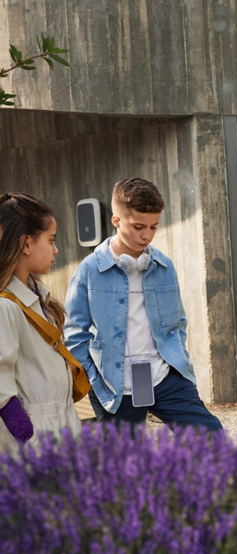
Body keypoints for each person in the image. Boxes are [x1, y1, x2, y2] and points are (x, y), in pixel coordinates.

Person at [64, 177, 222, 433]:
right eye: (138, 226)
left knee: (210, 435)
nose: (147, 235)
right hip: (113, 383)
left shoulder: (164, 266)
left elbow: (178, 323)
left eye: (153, 227)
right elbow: (73, 334)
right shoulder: (90, 269)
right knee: (129, 466)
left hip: (165, 376)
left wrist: (179, 364)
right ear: (116, 221)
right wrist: (94, 378)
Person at [0, 192, 82, 452]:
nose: (56, 250)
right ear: (26, 244)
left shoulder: (36, 296)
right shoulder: (5, 306)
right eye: (51, 240)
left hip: (60, 426)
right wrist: (31, 440)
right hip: (36, 440)